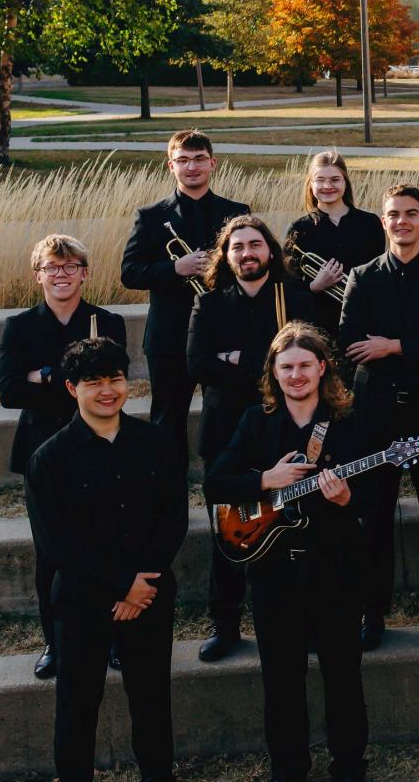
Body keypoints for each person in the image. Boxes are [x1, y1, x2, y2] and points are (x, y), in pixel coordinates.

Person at [206, 323, 372, 782]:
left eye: (304, 365)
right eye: (286, 368)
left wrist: (346, 499)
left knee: (343, 675)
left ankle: (349, 766)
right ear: (274, 375)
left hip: (335, 568)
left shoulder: (349, 422)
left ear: (322, 368)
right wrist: (264, 480)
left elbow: (376, 495)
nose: (296, 375)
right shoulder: (255, 421)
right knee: (281, 681)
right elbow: (216, 482)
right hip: (273, 573)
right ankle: (289, 769)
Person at [25, 338, 184, 781]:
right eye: (93, 382)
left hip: (149, 594)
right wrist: (121, 584)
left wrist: (141, 586)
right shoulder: (49, 459)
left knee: (152, 699)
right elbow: (58, 544)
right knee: (77, 704)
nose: (107, 390)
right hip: (82, 599)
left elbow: (172, 519)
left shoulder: (158, 443)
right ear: (72, 388)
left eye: (115, 379)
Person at [339, 183, 419, 646]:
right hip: (375, 418)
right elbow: (352, 345)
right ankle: (371, 616)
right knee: (372, 519)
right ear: (383, 222)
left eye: (411, 213)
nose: (402, 221)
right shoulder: (363, 277)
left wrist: (393, 346)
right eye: (394, 214)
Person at [0, 234, 127, 680]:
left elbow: (110, 385)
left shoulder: (107, 320)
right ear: (39, 276)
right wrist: (70, 381)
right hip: (42, 454)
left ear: (84, 273)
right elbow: (9, 391)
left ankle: (113, 638)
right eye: (52, 268)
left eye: (70, 267)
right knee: (50, 553)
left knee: (109, 543)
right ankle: (56, 642)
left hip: (101, 447)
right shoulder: (20, 326)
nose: (61, 275)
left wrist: (45, 375)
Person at [186, 215, 314, 663]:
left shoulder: (295, 300)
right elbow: (198, 364)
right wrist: (266, 361)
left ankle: (301, 620)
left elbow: (310, 360)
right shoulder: (210, 305)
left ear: (271, 252)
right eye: (237, 247)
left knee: (293, 531)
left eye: (255, 244)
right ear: (226, 256)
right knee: (229, 533)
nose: (246, 253)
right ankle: (225, 625)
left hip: (282, 431)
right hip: (225, 437)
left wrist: (236, 356)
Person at [119, 129, 250, 485]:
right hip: (169, 337)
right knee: (166, 421)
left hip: (222, 335)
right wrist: (174, 268)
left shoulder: (237, 214)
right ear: (170, 166)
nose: (191, 167)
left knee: (225, 418)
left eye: (198, 159)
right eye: (183, 160)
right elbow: (129, 273)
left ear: (212, 163)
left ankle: (225, 493)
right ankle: (167, 496)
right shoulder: (149, 216)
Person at [282, 150, 385, 333]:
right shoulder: (298, 229)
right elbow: (289, 284)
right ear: (311, 184)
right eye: (320, 180)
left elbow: (378, 273)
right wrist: (315, 286)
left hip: (363, 321)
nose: (327, 185)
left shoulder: (370, 223)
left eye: (335, 179)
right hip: (316, 324)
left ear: (345, 182)